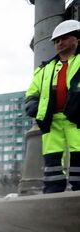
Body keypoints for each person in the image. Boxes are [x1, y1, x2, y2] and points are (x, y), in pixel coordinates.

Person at [25, 19, 80, 194]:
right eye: (56, 40)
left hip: (76, 118)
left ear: (76, 39)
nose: (59, 43)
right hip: (51, 121)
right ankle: (52, 194)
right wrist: (32, 106)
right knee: (51, 161)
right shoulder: (44, 69)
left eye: (64, 38)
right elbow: (32, 92)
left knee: (79, 154)